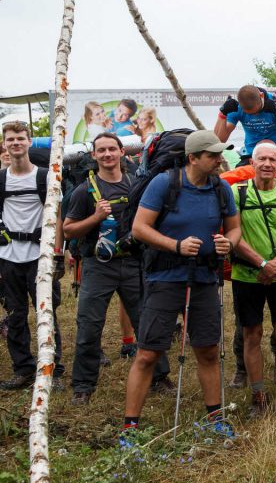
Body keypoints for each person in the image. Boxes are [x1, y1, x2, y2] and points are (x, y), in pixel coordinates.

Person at [121, 130, 240, 438]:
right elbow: (140, 228)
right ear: (193, 158)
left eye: (219, 154)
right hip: (165, 278)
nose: (219, 160)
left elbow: (234, 228)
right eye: (212, 155)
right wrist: (175, 245)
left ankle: (215, 418)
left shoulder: (220, 188)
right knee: (148, 352)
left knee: (208, 350)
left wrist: (228, 243)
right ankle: (130, 427)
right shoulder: (165, 184)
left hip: (204, 278)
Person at [64, 133, 165, 404]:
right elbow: (68, 230)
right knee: (89, 325)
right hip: (99, 266)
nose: (107, 154)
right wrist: (95, 217)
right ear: (94, 156)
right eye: (101, 151)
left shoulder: (137, 185)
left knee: (146, 322)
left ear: (122, 152)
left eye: (112, 149)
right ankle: (83, 386)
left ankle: (159, 377)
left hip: (134, 262)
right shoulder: (84, 190)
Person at [231, 142, 276, 414]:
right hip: (247, 275)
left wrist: (274, 265)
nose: (267, 164)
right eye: (262, 159)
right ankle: (258, 395)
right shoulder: (237, 193)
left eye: (272, 159)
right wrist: (261, 263)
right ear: (252, 162)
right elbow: (233, 234)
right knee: (252, 334)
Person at [0, 121, 65, 390]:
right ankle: (23, 368)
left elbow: (58, 216)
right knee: (14, 315)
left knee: (46, 314)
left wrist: (58, 254)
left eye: (20, 138)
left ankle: (53, 369)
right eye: (10, 139)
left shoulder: (46, 176)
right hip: (8, 256)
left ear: (29, 142)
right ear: (4, 144)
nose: (15, 143)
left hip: (41, 257)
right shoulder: (1, 179)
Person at [215, 85, 276, 164]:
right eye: (249, 113)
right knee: (235, 179)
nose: (255, 115)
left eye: (257, 110)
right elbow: (218, 141)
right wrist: (222, 114)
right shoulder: (237, 108)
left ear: (262, 95)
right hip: (252, 156)